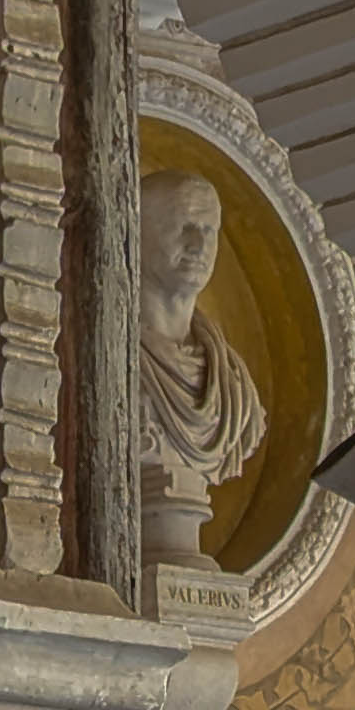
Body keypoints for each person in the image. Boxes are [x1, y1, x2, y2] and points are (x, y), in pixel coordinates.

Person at [137, 168, 268, 566]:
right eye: (183, 226)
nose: (198, 244)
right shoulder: (105, 367)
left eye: (209, 230)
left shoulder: (236, 388)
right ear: (136, 232)